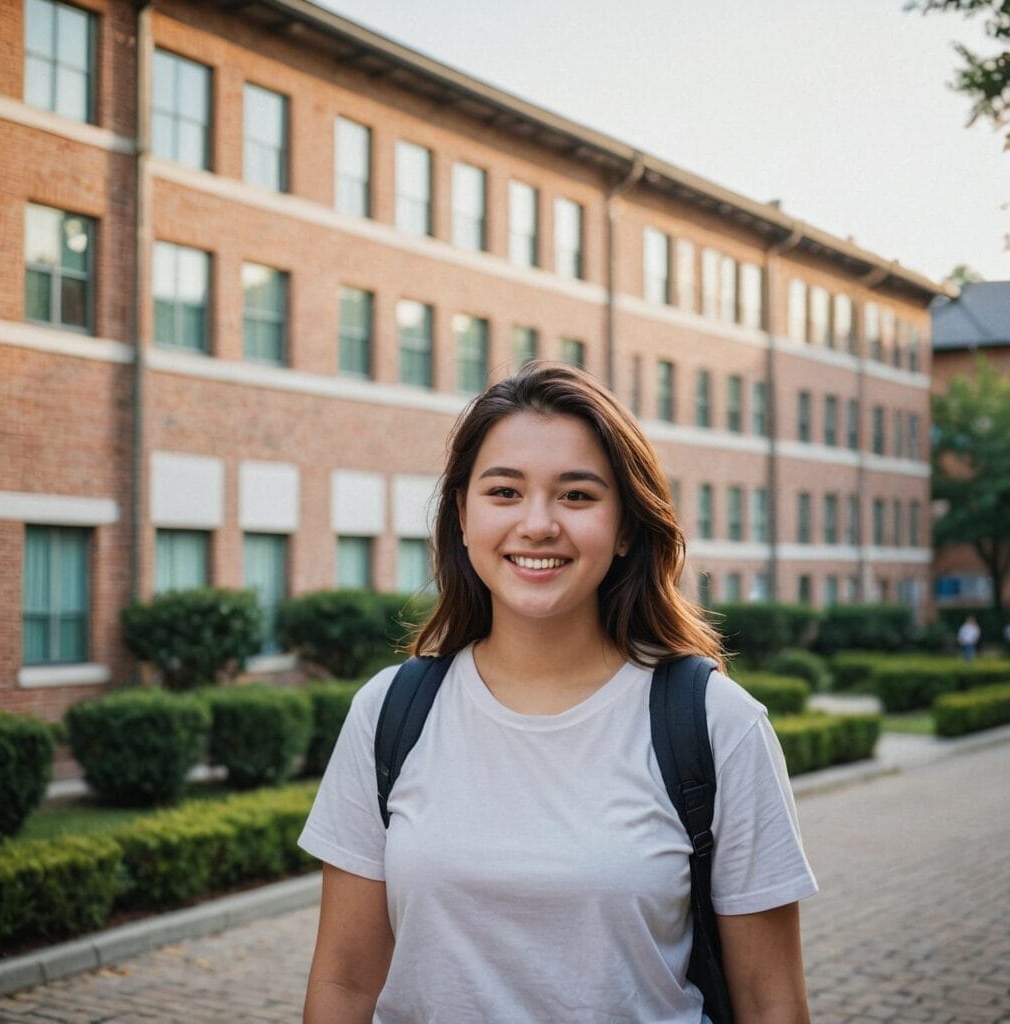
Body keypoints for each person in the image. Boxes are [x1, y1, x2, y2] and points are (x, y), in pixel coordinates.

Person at [299, 362, 818, 1023]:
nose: (538, 524)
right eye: (504, 492)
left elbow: (770, 1002)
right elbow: (344, 985)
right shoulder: (388, 711)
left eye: (576, 496)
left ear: (626, 525)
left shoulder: (719, 725)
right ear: (462, 514)